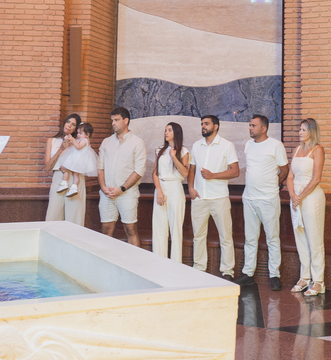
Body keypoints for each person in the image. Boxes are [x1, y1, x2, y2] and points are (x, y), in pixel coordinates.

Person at [237, 115, 289, 289]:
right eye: (250, 125)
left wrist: (274, 185)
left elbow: (284, 170)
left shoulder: (276, 145)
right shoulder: (248, 145)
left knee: (272, 238)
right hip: (249, 198)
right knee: (250, 238)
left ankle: (274, 275)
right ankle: (248, 273)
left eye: (253, 125)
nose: (250, 128)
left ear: (264, 128)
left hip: (268, 199)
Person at [188, 115, 240, 279]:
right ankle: (199, 268)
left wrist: (213, 175)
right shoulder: (196, 145)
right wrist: (190, 188)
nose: (203, 126)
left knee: (225, 236)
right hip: (199, 198)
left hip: (219, 198)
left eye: (206, 124)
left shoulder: (226, 145)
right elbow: (191, 169)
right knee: (198, 236)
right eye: (202, 124)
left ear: (216, 126)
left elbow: (235, 171)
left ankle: (227, 271)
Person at [287, 118, 327, 297]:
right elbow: (290, 176)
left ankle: (318, 281)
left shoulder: (317, 150)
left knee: (314, 238)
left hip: (311, 198)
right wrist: (293, 196)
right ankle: (304, 277)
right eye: (300, 129)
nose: (300, 132)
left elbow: (316, 178)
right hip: (296, 198)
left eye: (304, 130)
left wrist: (301, 196)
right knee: (300, 236)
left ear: (312, 131)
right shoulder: (296, 149)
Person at [96, 107, 146, 247]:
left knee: (130, 230)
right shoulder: (106, 142)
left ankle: (133, 260)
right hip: (107, 193)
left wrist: (122, 189)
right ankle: (106, 259)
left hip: (127, 194)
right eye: (112, 120)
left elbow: (139, 171)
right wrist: (103, 188)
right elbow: (100, 167)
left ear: (126, 121)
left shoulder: (137, 142)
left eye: (116, 120)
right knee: (106, 230)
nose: (113, 123)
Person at [152, 122, 190, 262]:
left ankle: (175, 263)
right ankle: (159, 261)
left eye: (169, 130)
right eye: (165, 130)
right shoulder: (159, 150)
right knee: (159, 227)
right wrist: (159, 191)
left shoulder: (183, 151)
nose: (166, 133)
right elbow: (155, 173)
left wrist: (174, 157)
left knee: (176, 228)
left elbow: (185, 173)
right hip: (160, 187)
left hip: (175, 187)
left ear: (176, 133)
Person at [44, 114, 83, 224]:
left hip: (75, 180)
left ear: (76, 128)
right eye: (68, 122)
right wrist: (61, 149)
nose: (69, 125)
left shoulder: (79, 142)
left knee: (74, 220)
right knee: (53, 218)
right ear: (64, 123)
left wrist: (70, 167)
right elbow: (47, 168)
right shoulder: (52, 141)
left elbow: (85, 163)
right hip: (58, 178)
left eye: (73, 124)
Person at [58, 122, 98, 206]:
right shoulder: (82, 139)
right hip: (76, 158)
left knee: (72, 171)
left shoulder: (84, 140)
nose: (78, 135)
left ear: (87, 134)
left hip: (78, 159)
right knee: (72, 172)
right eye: (78, 133)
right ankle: (67, 184)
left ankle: (72, 186)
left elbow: (78, 147)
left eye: (80, 133)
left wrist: (73, 139)